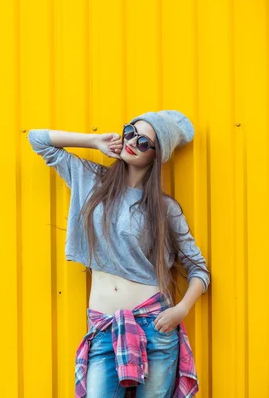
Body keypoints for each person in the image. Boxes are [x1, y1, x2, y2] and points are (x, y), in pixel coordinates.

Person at [27, 110, 211, 398]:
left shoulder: (164, 208)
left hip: (156, 326)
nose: (132, 142)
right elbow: (37, 139)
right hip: (103, 325)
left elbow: (198, 268)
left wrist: (181, 310)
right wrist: (94, 142)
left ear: (155, 156)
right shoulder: (89, 179)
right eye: (130, 132)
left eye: (143, 142)